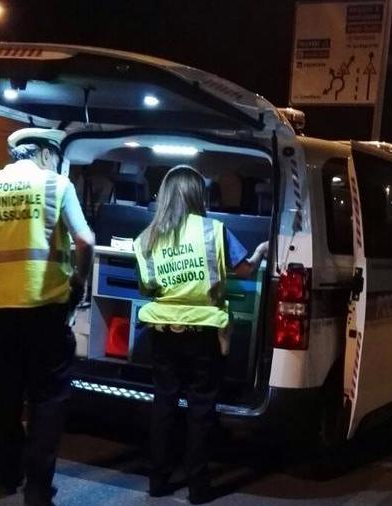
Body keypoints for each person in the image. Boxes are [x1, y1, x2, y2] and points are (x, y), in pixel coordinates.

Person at [0, 128, 94, 506]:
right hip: (45, 309)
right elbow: (86, 241)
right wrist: (77, 282)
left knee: (2, 398)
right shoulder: (57, 186)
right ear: (46, 153)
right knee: (47, 399)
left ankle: (8, 475)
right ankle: (38, 489)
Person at [133, 165, 268, 504]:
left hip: (162, 330)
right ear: (198, 194)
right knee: (200, 409)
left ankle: (158, 480)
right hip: (203, 331)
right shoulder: (213, 230)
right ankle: (198, 487)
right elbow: (243, 269)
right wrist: (262, 251)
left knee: (164, 403)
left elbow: (147, 286)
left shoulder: (146, 238)